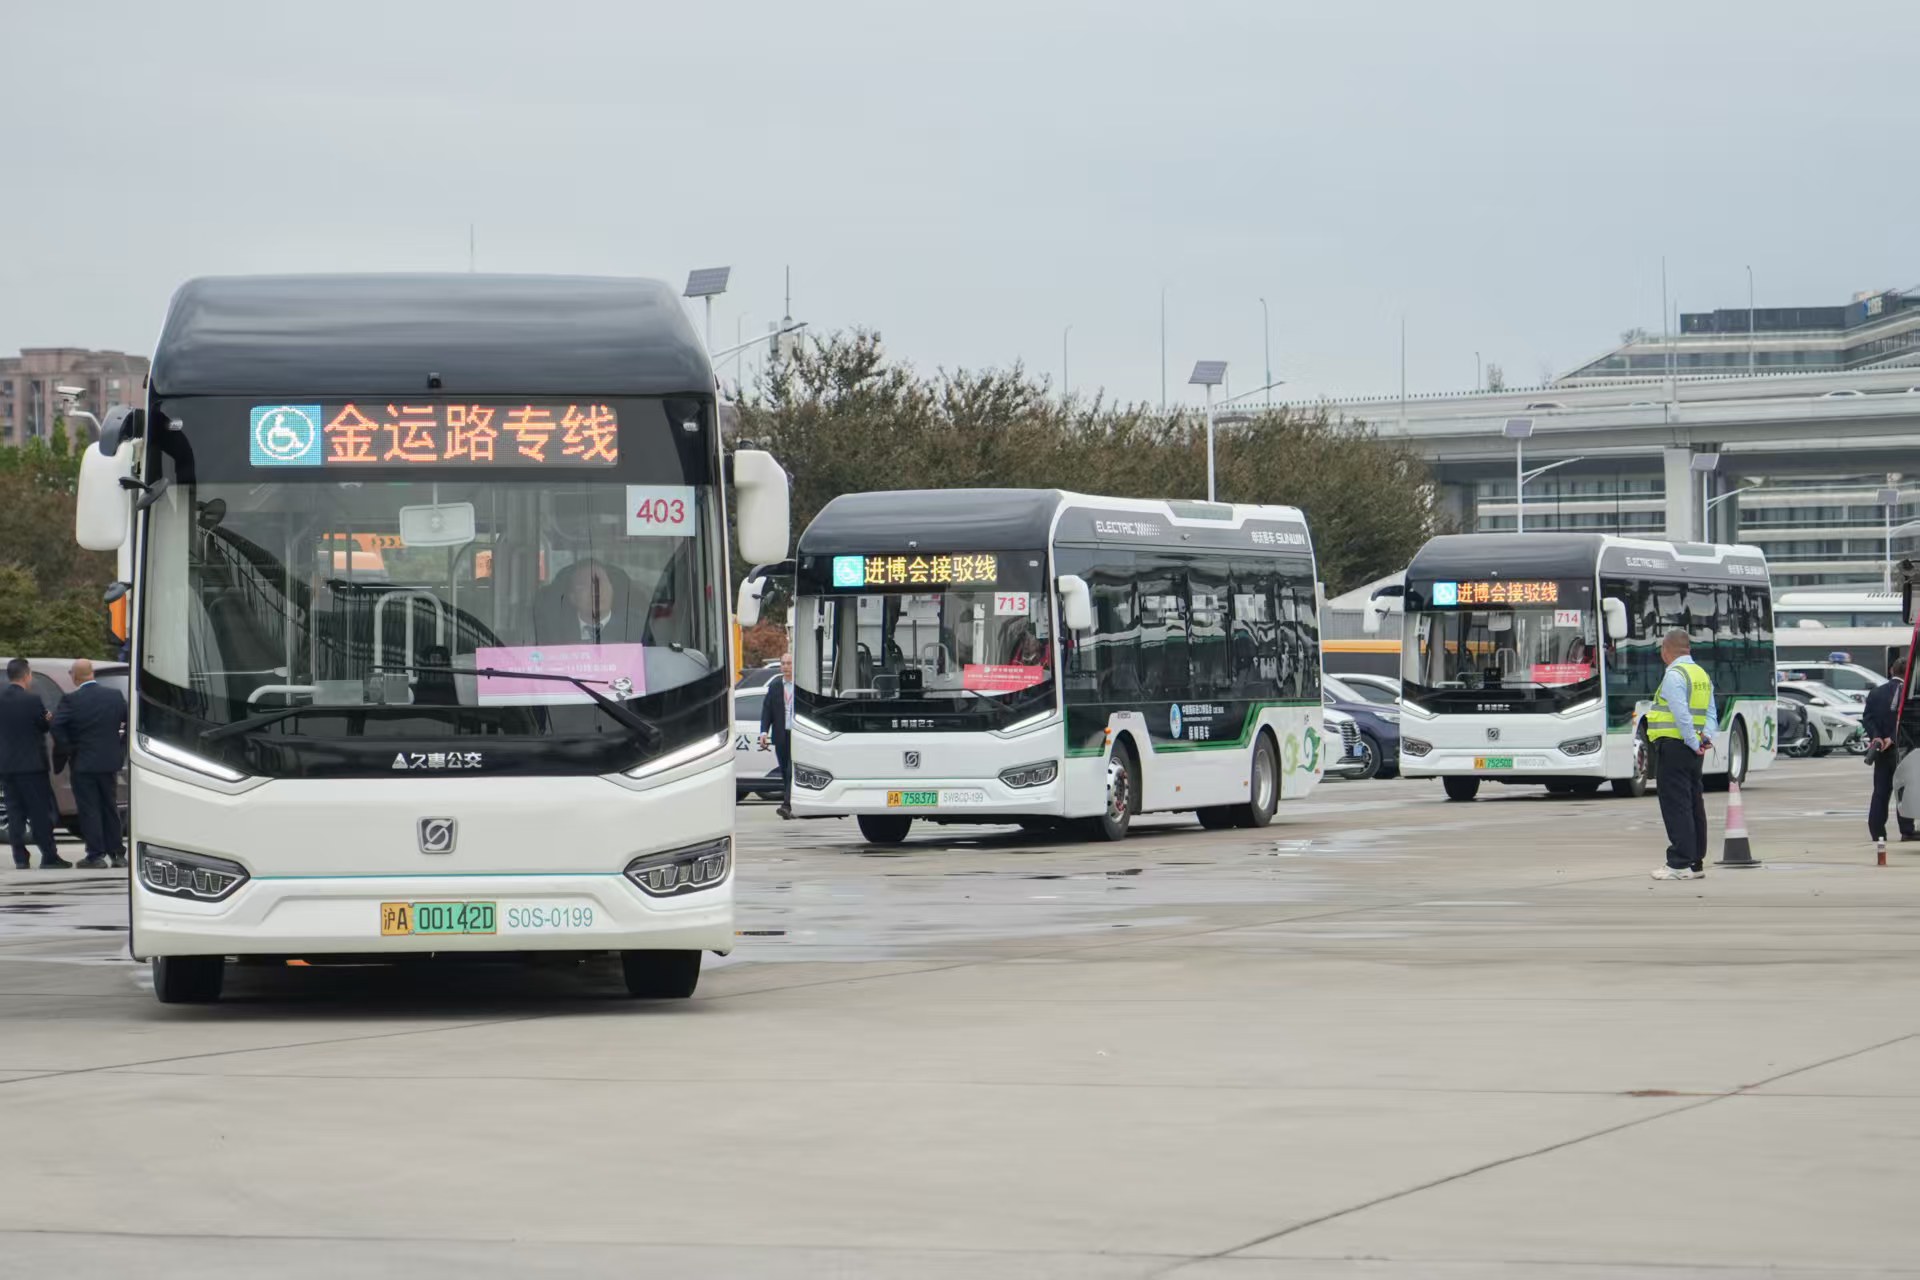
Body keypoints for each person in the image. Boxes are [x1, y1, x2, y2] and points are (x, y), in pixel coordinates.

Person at [1647, 628, 1716, 881]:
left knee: (1676, 805)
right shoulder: (1701, 674)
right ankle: (1695, 861)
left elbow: (1681, 714)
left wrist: (1692, 741)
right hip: (1694, 750)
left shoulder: (1674, 675)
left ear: (1666, 650)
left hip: (1675, 746)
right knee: (1693, 803)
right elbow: (1711, 713)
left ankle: (1679, 863)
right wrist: (1704, 739)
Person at [52, 659, 128, 871]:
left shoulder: (71, 700)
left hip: (83, 763)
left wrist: (69, 748)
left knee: (89, 809)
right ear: (91, 673)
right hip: (109, 762)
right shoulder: (114, 696)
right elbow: (131, 720)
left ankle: (95, 856)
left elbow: (57, 726)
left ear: (75, 676)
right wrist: (120, 745)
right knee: (110, 807)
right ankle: (117, 854)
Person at [0, 658, 69, 871]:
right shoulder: (32, 700)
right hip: (32, 766)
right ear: (26, 675)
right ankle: (49, 855)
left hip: (7, 766)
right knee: (39, 812)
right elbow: (43, 726)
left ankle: (20, 857)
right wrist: (47, 718)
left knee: (15, 812)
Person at [1863, 647, 1915, 859]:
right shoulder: (1910, 694)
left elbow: (1868, 718)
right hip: (1904, 749)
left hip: (1882, 751)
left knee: (1881, 791)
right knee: (1904, 791)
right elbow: (1909, 720)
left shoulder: (1876, 693)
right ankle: (1907, 830)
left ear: (1891, 670)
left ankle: (1877, 831)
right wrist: (1893, 738)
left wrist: (1877, 737)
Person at [758, 652, 795, 819]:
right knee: (785, 770)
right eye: (783, 663)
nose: (786, 666)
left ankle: (786, 805)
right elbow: (767, 711)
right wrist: (764, 732)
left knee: (791, 769)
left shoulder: (800, 686)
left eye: (789, 663)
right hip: (781, 734)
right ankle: (790, 804)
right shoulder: (775, 686)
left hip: (797, 735)